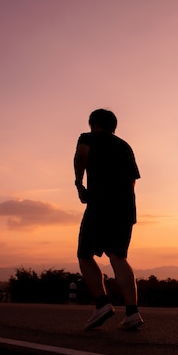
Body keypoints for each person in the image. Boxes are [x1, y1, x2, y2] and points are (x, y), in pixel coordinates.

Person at [74, 108, 143, 329]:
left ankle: (102, 303)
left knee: (84, 254)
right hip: (125, 207)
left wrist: (79, 183)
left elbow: (81, 155)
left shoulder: (88, 138)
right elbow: (133, 180)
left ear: (93, 124)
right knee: (118, 256)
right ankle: (132, 313)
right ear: (114, 126)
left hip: (100, 204)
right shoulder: (125, 146)